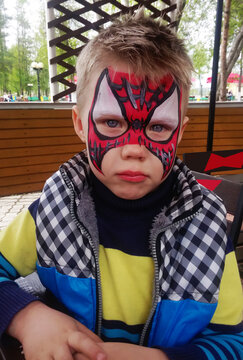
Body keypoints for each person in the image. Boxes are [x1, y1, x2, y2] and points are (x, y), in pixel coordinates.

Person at [0, 8, 242, 360]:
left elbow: (233, 343)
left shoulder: (207, 232)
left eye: (158, 128)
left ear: (180, 132)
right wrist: (26, 316)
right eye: (112, 122)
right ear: (81, 124)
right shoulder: (52, 212)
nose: (134, 150)